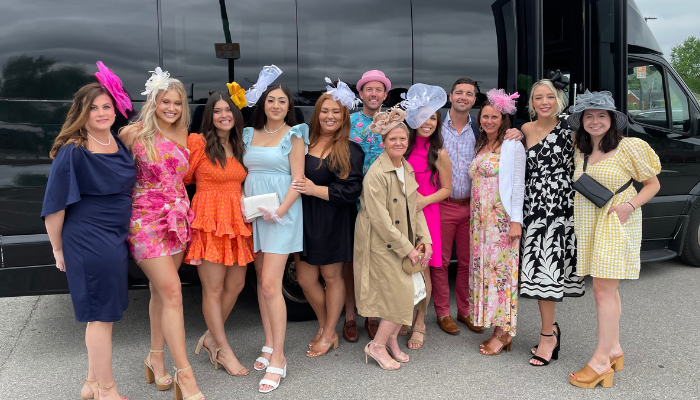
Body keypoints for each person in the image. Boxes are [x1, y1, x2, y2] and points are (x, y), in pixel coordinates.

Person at [42, 63, 134, 400]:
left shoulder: (117, 142)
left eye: (106, 106)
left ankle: (92, 383)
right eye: (92, 108)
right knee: (100, 316)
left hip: (114, 239)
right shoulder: (74, 151)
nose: (100, 112)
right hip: (88, 239)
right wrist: (57, 249)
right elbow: (54, 207)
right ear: (81, 113)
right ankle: (107, 391)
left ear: (115, 110)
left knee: (104, 314)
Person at [119, 68, 204, 400]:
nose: (171, 108)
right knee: (173, 294)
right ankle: (186, 375)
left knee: (159, 292)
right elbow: (105, 164)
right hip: (143, 221)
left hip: (177, 219)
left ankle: (156, 358)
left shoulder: (186, 135)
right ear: (153, 101)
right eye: (165, 101)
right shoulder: (133, 133)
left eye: (177, 103)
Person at [567, 91, 660, 389]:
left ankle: (600, 362)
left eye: (601, 115)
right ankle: (615, 348)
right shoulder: (579, 149)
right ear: (581, 122)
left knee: (602, 291)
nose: (595, 121)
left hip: (616, 221)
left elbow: (653, 184)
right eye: (589, 116)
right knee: (608, 289)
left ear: (612, 120)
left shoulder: (628, 147)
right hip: (591, 224)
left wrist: (629, 207)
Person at [436, 78, 522, 336]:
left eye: (469, 94)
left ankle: (465, 310)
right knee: (440, 263)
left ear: (474, 100)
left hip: (475, 211)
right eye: (459, 92)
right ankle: (442, 312)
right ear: (451, 96)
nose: (464, 97)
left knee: (468, 262)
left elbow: (516, 179)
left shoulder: (481, 133)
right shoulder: (436, 127)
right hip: (446, 205)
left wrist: (520, 132)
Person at [241, 65, 308, 393]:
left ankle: (279, 357)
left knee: (271, 284)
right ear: (263, 105)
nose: (277, 106)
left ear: (288, 106)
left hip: (281, 215)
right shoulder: (249, 135)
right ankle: (269, 344)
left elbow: (299, 181)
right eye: (271, 101)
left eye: (282, 101)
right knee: (260, 282)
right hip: (254, 216)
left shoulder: (295, 134)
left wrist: (278, 211)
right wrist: (247, 208)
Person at [354, 107, 433, 371]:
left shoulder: (406, 167)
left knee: (410, 294)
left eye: (402, 139)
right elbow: (380, 220)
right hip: (381, 243)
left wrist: (426, 240)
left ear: (408, 141)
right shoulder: (376, 173)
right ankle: (376, 346)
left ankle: (391, 343)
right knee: (400, 295)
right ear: (383, 142)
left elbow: (416, 207)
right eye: (392, 139)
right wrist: (408, 248)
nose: (398, 143)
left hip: (402, 241)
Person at [291, 81, 364, 358]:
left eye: (335, 111)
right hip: (304, 218)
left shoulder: (350, 149)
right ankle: (326, 325)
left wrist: (315, 189)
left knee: (331, 277)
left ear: (343, 116)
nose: (329, 116)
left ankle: (329, 330)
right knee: (305, 278)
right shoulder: (304, 141)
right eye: (324, 111)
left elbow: (351, 190)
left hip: (332, 220)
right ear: (317, 114)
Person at [185, 88, 254, 377]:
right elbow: (182, 176)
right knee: (212, 289)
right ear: (210, 116)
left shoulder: (239, 145)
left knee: (236, 285)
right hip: (209, 221)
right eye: (217, 110)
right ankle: (223, 349)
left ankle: (212, 338)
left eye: (228, 110)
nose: (224, 115)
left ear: (236, 115)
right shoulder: (198, 142)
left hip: (235, 221)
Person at [520, 74, 585, 366]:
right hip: (533, 206)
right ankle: (550, 333)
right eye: (538, 97)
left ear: (559, 100)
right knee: (538, 273)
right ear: (532, 103)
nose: (544, 102)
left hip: (562, 207)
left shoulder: (571, 128)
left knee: (551, 272)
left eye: (549, 97)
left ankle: (548, 335)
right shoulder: (524, 129)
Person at [469, 89, 525, 356]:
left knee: (502, 275)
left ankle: (504, 332)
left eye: (494, 117)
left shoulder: (513, 145)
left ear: (504, 120)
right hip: (480, 223)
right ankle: (495, 325)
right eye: (485, 117)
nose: (489, 121)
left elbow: (518, 185)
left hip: (502, 221)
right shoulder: (482, 144)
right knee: (488, 273)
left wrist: (517, 221)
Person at [402, 84, 452, 349]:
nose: (428, 122)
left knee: (423, 271)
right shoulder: (402, 148)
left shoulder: (439, 153)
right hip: (402, 217)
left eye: (433, 117)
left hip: (427, 216)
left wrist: (424, 200)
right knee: (402, 268)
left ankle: (420, 321)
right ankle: (403, 315)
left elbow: (447, 189)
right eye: (423, 116)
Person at [344, 70, 392, 342]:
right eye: (368, 89)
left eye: (379, 90)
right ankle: (350, 314)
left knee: (378, 259)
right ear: (361, 94)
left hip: (384, 201)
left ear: (385, 95)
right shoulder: (349, 123)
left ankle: (373, 314)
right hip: (353, 199)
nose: (373, 94)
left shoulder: (393, 123)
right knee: (352, 259)